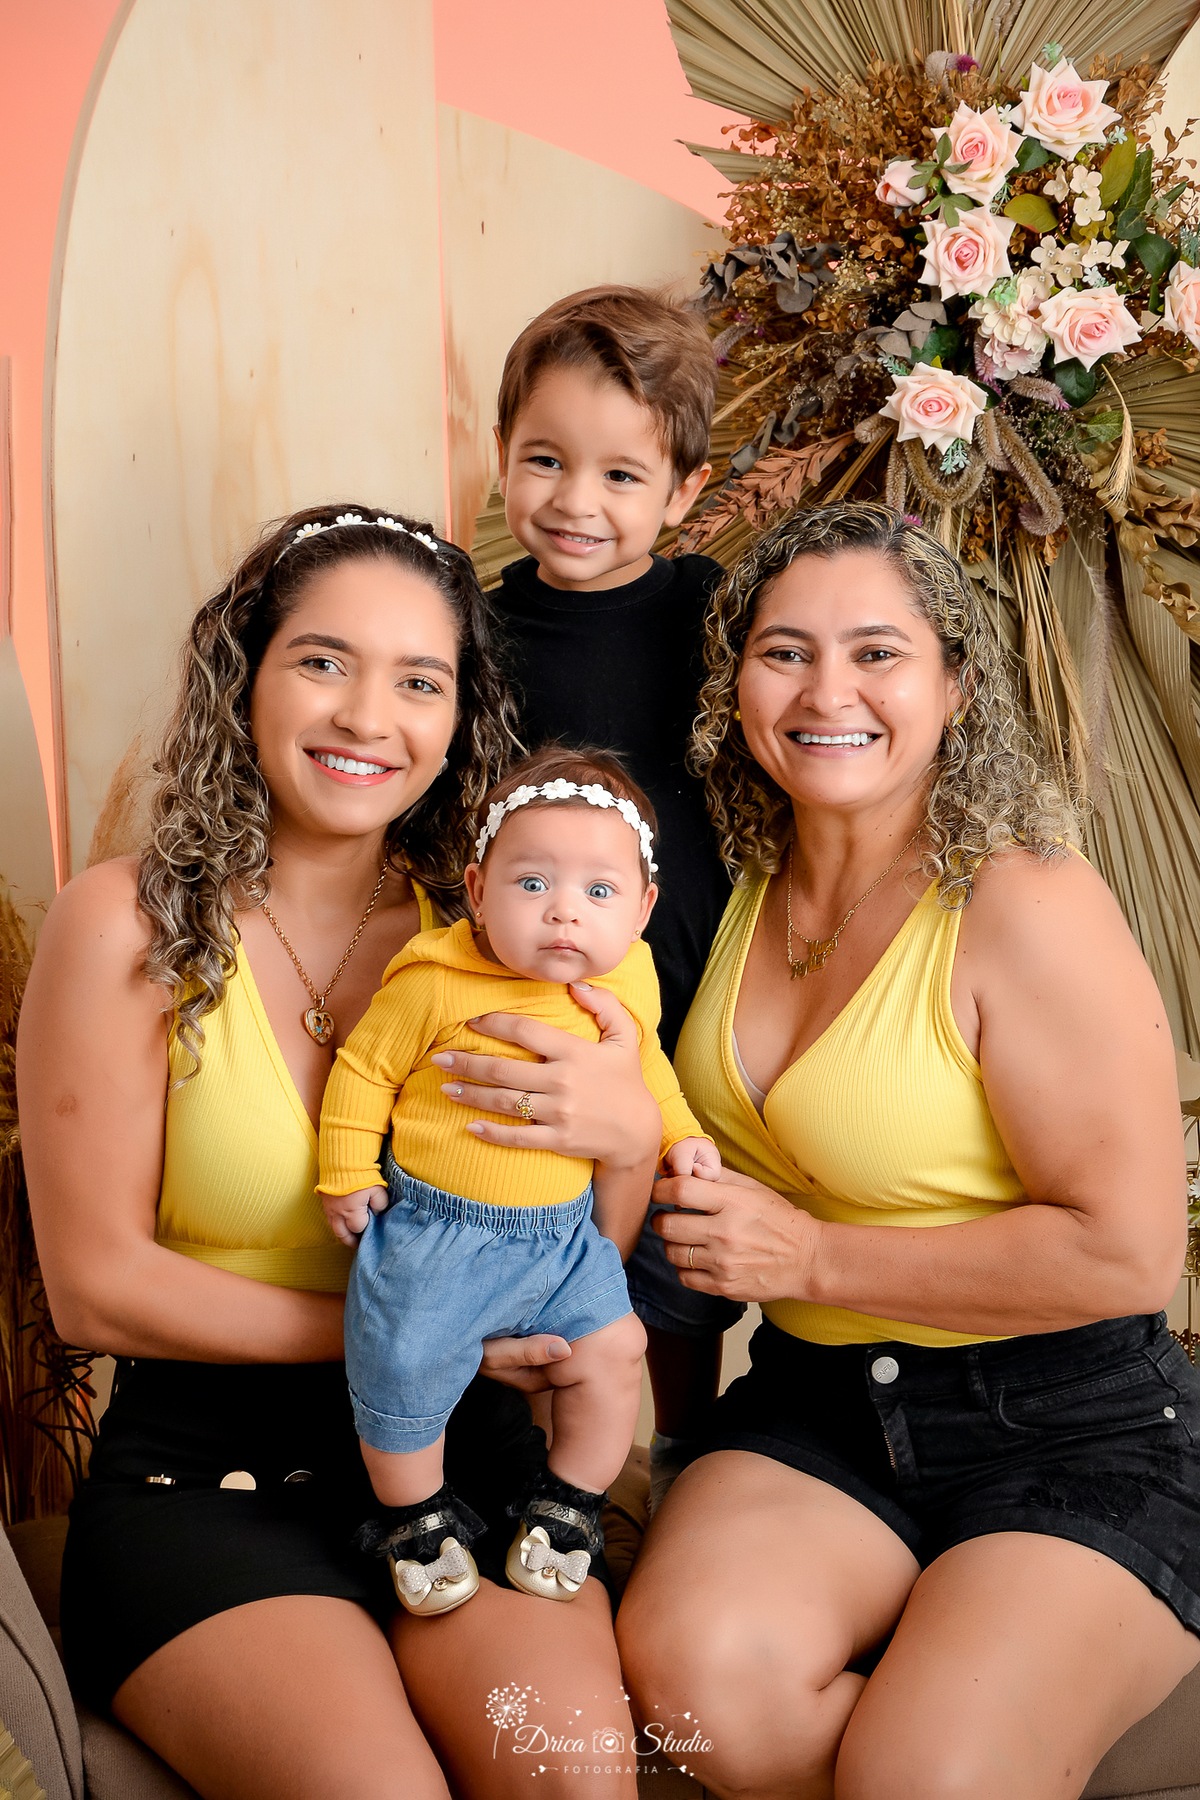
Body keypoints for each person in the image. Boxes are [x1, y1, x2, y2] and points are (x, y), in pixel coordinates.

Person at [17, 503, 660, 1800]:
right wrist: (418, 1335)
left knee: (575, 1780)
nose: (369, 717)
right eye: (324, 661)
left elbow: (573, 1253)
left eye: (419, 681)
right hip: (212, 1475)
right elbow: (94, 1291)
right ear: (245, 673)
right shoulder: (124, 926)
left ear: (460, 719)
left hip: (468, 1456)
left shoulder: (508, 932)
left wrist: (635, 1143)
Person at [617, 500, 1200, 1800]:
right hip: (816, 1409)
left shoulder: (1025, 897)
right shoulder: (734, 880)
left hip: (1067, 1421)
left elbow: (1128, 1255)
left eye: (877, 653)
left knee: (925, 1773)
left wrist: (812, 1257)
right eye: (785, 652)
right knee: (701, 1688)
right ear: (735, 687)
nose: (828, 692)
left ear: (957, 686)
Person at [317, 743, 717, 1615]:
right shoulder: (436, 978)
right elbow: (364, 1070)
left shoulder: (626, 980)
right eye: (532, 884)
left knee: (616, 1350)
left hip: (565, 1241)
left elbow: (648, 1072)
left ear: (643, 909)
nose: (564, 912)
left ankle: (568, 1505)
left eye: (600, 892)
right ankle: (416, 1520)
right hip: (438, 1236)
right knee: (402, 1366)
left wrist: (681, 1135)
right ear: (477, 889)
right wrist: (345, 1170)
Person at [491, 284, 739, 1493]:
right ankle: (545, 1473)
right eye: (544, 460)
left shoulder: (709, 614)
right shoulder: (476, 634)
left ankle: (684, 1455)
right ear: (501, 453)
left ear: (684, 492)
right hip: (539, 993)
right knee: (537, 1247)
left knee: (683, 1267)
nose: (575, 502)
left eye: (622, 476)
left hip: (690, 993)